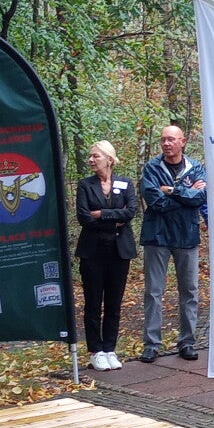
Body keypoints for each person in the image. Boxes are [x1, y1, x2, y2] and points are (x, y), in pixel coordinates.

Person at [138, 123, 207, 362]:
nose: (166, 144)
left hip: (186, 236)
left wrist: (171, 190)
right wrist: (186, 194)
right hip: (156, 236)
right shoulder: (151, 168)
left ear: (182, 142)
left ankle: (187, 342)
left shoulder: (195, 167)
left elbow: (200, 197)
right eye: (163, 140)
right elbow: (155, 201)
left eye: (171, 139)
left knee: (190, 291)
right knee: (153, 292)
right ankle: (151, 344)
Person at [75, 141, 137, 371]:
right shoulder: (85, 185)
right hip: (93, 252)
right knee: (93, 303)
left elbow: (130, 212)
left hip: (119, 252)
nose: (91, 160)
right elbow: (84, 217)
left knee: (114, 303)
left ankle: (110, 349)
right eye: (90, 156)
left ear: (109, 159)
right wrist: (114, 220)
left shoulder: (125, 183)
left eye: (96, 156)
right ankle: (96, 351)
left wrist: (101, 214)